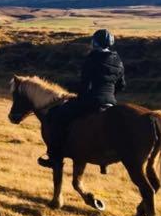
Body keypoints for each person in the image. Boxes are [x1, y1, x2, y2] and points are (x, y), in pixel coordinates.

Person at [38, 29, 126, 168]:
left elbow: (85, 84)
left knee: (55, 115)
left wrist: (75, 92)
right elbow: (121, 85)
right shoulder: (118, 60)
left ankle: (54, 155)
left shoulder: (92, 58)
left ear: (95, 43)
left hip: (91, 100)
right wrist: (109, 96)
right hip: (111, 102)